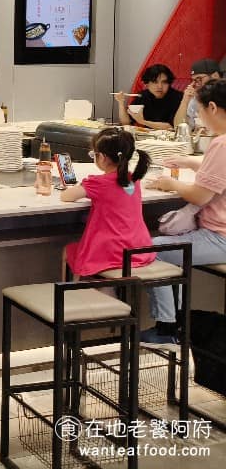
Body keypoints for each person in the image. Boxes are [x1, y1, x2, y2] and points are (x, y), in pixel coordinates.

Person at [142, 79, 226, 345]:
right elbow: (216, 169)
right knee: (170, 250)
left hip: (219, 238)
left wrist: (171, 184)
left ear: (212, 108)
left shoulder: (221, 143)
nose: (199, 117)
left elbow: (200, 196)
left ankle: (167, 328)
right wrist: (189, 162)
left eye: (199, 111)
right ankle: (176, 321)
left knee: (149, 250)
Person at [59, 129, 153, 277]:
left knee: (69, 251)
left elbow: (66, 196)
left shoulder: (99, 183)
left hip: (112, 252)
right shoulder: (133, 179)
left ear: (102, 157)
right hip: (138, 249)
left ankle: (77, 291)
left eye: (94, 155)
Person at [116, 63, 182, 130]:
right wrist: (121, 102)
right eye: (155, 82)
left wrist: (143, 122)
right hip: (148, 135)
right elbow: (126, 122)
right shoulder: (142, 96)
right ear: (147, 84)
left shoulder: (178, 97)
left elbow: (171, 126)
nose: (160, 86)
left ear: (169, 83)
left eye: (164, 82)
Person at [174, 58, 221, 130]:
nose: (196, 84)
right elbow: (178, 128)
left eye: (199, 79)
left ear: (215, 76)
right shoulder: (195, 99)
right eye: (193, 80)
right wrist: (185, 100)